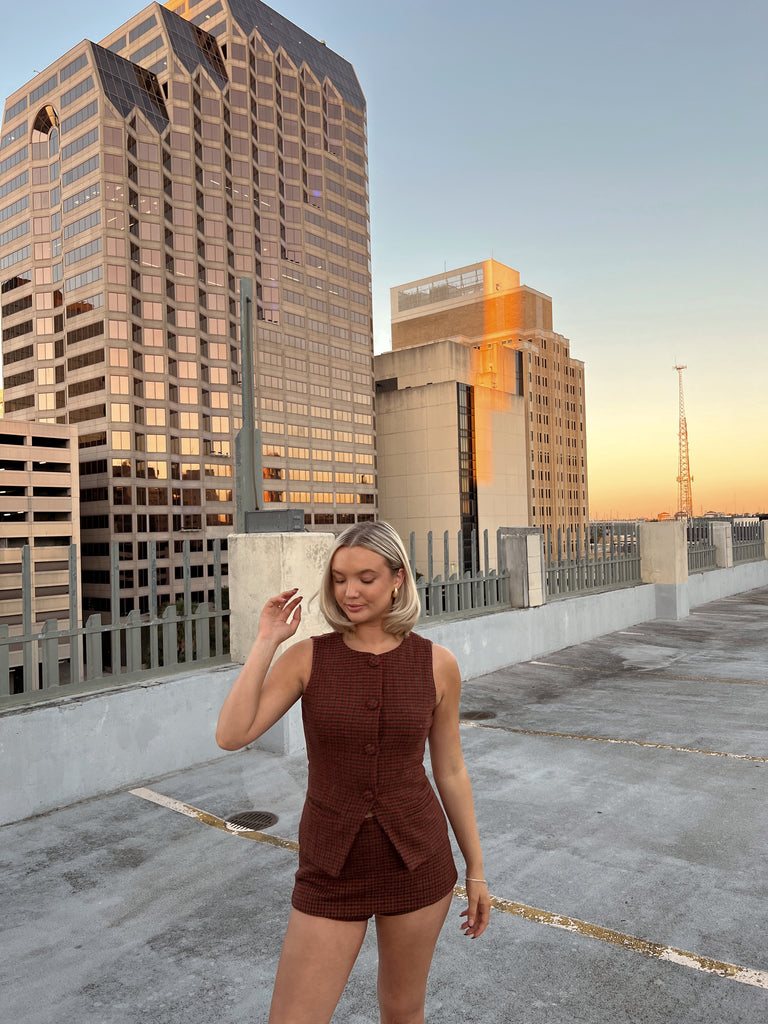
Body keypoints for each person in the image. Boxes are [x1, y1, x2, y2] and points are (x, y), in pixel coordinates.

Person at [216, 521, 490, 1023]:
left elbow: (450, 770)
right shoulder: (306, 658)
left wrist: (475, 869)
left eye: (365, 577)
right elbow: (232, 734)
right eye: (340, 579)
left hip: (418, 861)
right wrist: (266, 640)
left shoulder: (437, 664)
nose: (349, 591)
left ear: (397, 578)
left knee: (403, 1012)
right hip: (330, 865)